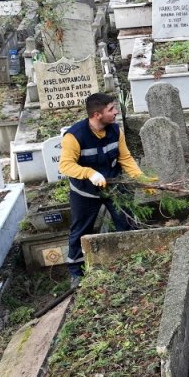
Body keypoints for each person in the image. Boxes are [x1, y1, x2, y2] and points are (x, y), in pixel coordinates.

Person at [58, 92, 150, 288]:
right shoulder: (74, 136)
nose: (116, 112)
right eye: (111, 109)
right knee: (80, 230)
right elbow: (65, 166)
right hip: (85, 191)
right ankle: (76, 272)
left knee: (127, 221)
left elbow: (125, 158)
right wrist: (89, 173)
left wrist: (140, 178)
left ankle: (132, 260)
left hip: (114, 185)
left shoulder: (115, 131)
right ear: (97, 115)